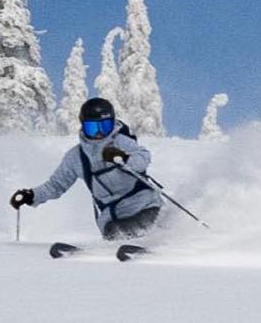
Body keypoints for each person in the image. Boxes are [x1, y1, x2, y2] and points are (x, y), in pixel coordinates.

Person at [10, 97, 164, 240]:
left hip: (144, 205)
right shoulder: (77, 157)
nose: (98, 134)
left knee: (142, 226)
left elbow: (142, 157)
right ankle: (129, 248)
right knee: (116, 232)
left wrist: (124, 159)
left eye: (104, 127)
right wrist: (31, 196)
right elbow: (56, 185)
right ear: (83, 127)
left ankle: (159, 246)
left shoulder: (120, 142)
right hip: (112, 217)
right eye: (92, 128)